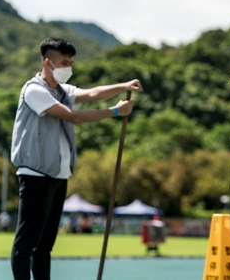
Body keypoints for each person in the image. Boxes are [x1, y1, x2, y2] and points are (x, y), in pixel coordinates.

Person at [10, 37, 143, 280]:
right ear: (48, 62)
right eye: (64, 62)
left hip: (59, 175)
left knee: (45, 245)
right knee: (27, 243)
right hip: (36, 175)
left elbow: (92, 93)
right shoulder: (34, 90)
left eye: (71, 62)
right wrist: (114, 111)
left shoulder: (62, 91)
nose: (68, 68)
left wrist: (124, 85)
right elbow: (71, 117)